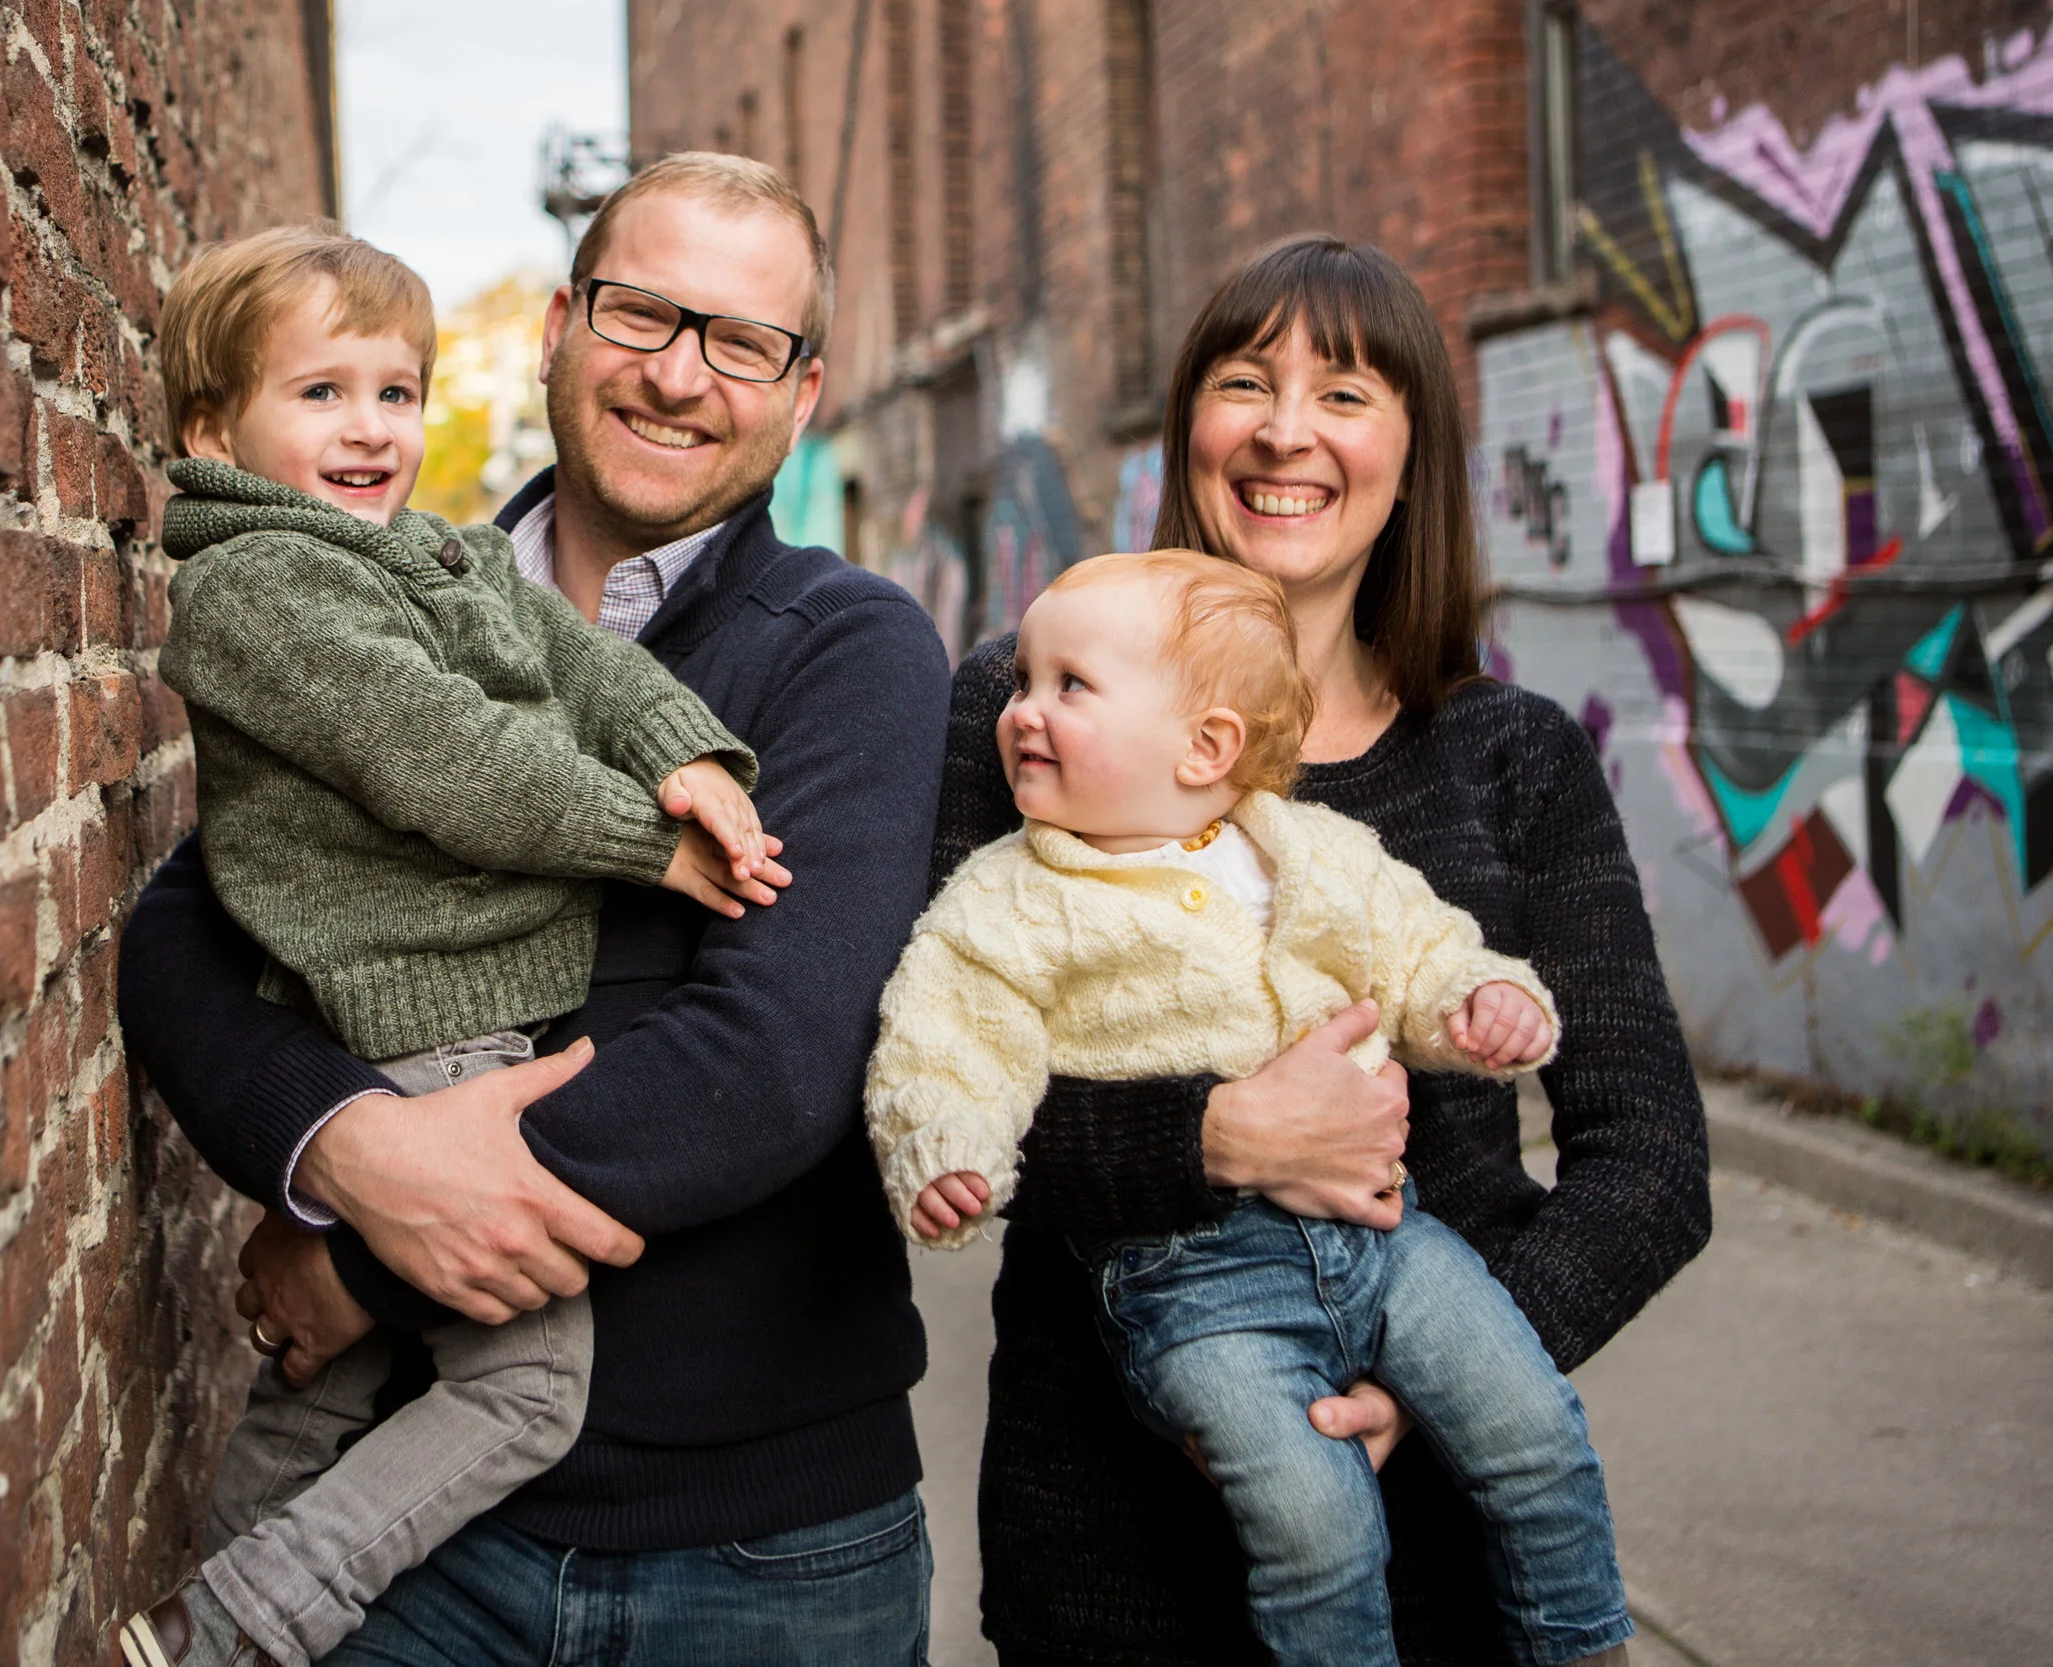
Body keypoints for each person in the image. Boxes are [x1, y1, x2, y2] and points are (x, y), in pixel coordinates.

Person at [116, 153, 951, 1667]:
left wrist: (359, 1257)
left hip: (763, 1561)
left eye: (742, 341)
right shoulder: (370, 593)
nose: (679, 374)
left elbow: (769, 1062)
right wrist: (336, 1146)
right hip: (412, 1562)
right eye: (642, 313)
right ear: (561, 324)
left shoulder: (850, 647)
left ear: (802, 393)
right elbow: (188, 932)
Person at [940, 236, 1711, 1665]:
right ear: (1188, 428)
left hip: (1449, 1547)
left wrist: (1440, 1372)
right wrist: (1219, 1137)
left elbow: (1652, 1157)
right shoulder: (1026, 710)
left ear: (1410, 459)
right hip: (1110, 1543)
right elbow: (945, 1082)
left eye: (1345, 394)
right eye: (1245, 382)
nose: (1285, 430)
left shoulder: (1511, 756)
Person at [870, 551, 1631, 1667]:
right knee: (1312, 1521)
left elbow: (1417, 944)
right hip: (1189, 1282)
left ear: (1206, 746)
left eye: (1069, 685)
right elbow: (945, 1042)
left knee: (1533, 1429)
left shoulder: (1308, 848)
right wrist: (946, 1149)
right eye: (1025, 679)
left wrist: (1479, 997)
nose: (1022, 709)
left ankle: (1582, 1641)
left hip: (1390, 1239)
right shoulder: (1007, 897)